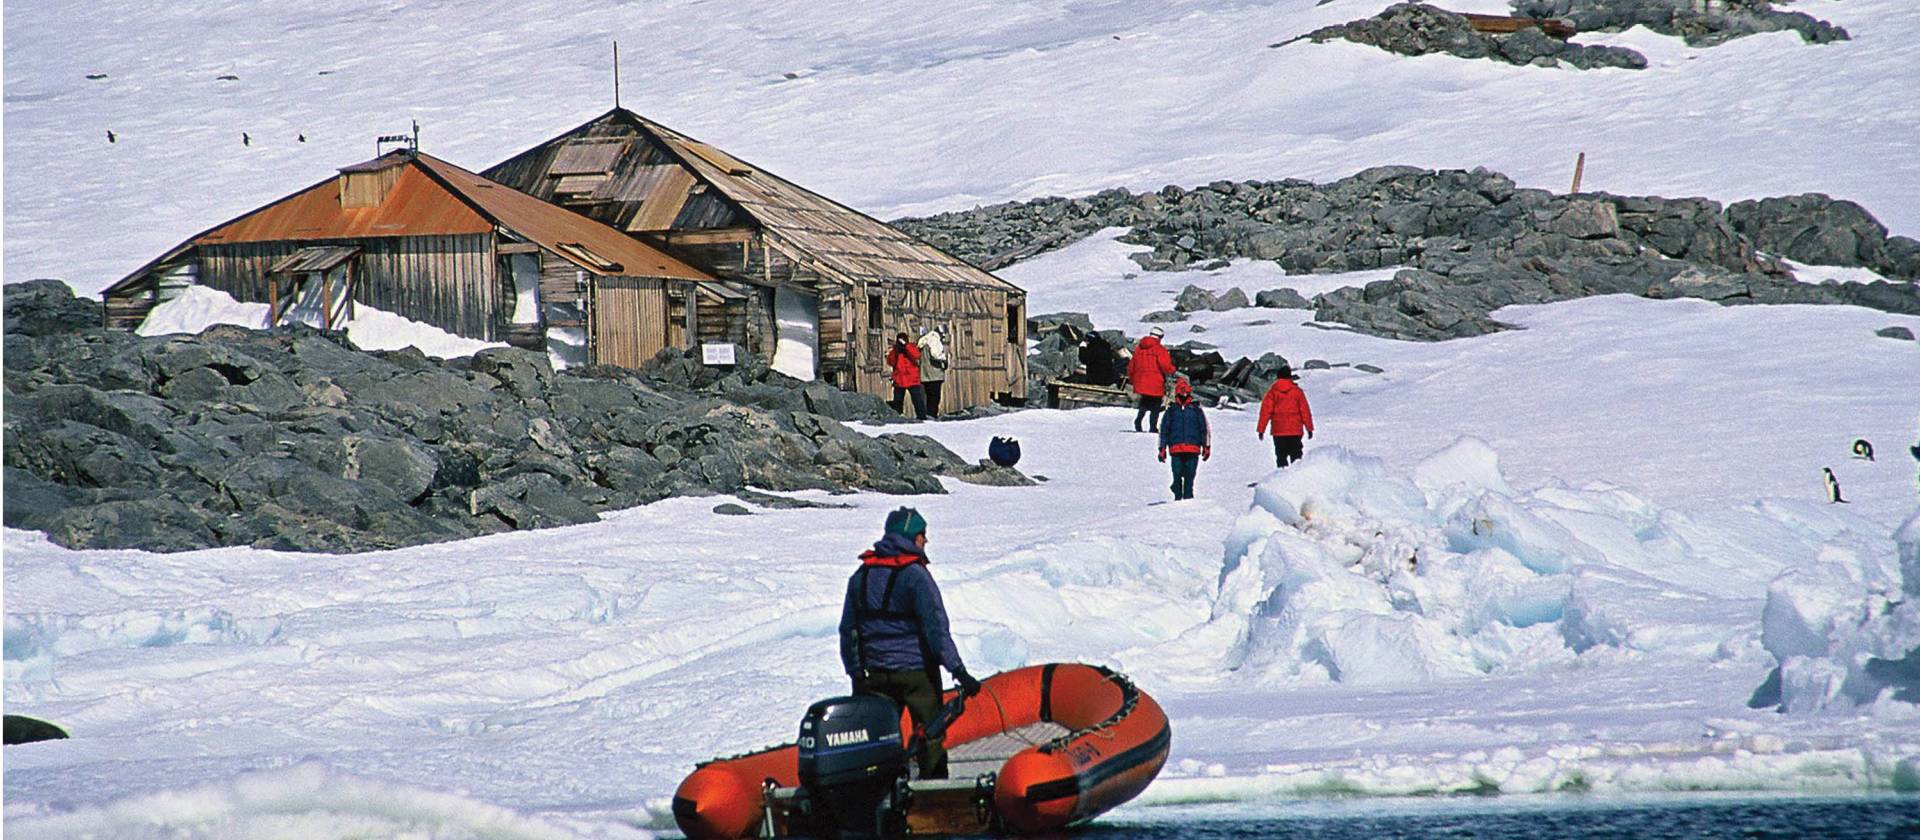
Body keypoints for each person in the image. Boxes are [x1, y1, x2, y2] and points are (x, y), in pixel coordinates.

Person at [838, 507, 980, 780]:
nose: (926, 540)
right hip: (916, 673)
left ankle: (880, 791)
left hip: (873, 675)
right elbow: (936, 629)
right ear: (912, 537)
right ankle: (934, 791)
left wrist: (855, 672)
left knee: (877, 736)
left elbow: (848, 630)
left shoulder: (860, 576)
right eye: (922, 534)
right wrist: (959, 671)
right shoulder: (916, 576)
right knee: (931, 733)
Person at [1157, 377, 1210, 500]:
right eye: (1182, 392)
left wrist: (1206, 446)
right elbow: (1164, 430)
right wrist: (1162, 448)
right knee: (1177, 474)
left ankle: (1188, 499)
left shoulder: (1196, 410)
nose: (1184, 394)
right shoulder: (1171, 410)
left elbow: (1204, 429)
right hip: (1176, 448)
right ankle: (1177, 495)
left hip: (1193, 448)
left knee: (1190, 476)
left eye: (1186, 392)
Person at [1256, 364, 1314, 468]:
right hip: (1295, 430)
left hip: (1278, 430)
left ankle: (1281, 476)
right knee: (1296, 458)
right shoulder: (1297, 392)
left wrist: (1261, 430)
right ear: (1289, 376)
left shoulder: (1272, 393)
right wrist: (1309, 428)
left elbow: (1265, 412)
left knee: (1281, 457)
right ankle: (1297, 476)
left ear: (1278, 376)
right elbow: (1305, 411)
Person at [1128, 327, 1177, 433]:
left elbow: (1132, 366)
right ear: (1160, 337)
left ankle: (1138, 421)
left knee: (1144, 402)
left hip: (1141, 380)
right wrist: (1172, 370)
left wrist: (1133, 379)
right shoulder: (1160, 349)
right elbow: (1165, 366)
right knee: (1155, 405)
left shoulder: (1139, 348)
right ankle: (1153, 427)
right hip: (1155, 381)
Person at [885, 331, 929, 419]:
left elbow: (917, 355)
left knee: (917, 400)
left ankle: (922, 417)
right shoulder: (895, 351)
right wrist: (895, 351)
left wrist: (906, 346)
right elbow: (890, 362)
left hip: (912, 378)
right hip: (900, 379)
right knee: (898, 400)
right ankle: (898, 416)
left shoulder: (911, 347)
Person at [917, 327, 949, 419]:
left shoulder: (924, 340)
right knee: (935, 397)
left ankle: (927, 414)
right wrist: (944, 358)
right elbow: (935, 354)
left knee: (928, 395)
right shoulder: (934, 339)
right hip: (934, 374)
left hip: (925, 374)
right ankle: (932, 415)